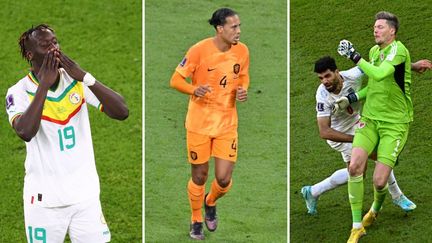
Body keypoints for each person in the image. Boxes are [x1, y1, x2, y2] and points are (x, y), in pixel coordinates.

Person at [5, 24, 129, 242]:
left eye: (55, 42)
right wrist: (44, 85)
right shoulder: (19, 91)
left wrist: (85, 76)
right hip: (45, 202)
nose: (54, 49)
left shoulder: (75, 80)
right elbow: (25, 131)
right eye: (45, 45)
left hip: (86, 196)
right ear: (30, 54)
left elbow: (121, 112)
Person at [301, 56, 431, 216]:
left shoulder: (353, 75)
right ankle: (397, 195)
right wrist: (356, 140)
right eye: (320, 78)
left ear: (337, 72)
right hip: (338, 136)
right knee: (380, 154)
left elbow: (385, 67)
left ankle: (312, 191)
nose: (324, 81)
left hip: (357, 123)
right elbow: (324, 132)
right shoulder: (322, 96)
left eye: (327, 76)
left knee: (356, 174)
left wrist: (414, 65)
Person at [336, 11, 421, 242]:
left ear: (392, 31)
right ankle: (356, 227)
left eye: (380, 27)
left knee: (379, 181)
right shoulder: (374, 52)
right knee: (354, 167)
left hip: (395, 124)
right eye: (374, 26)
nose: (375, 30)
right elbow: (373, 86)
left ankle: (374, 210)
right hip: (370, 119)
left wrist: (354, 56)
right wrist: (350, 100)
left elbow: (381, 74)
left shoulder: (399, 51)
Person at [169, 8, 249, 240]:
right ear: (220, 29)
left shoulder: (242, 51)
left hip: (227, 124)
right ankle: (196, 219)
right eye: (234, 27)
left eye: (239, 26)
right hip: (199, 125)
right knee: (200, 176)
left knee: (223, 179)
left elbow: (243, 75)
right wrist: (194, 89)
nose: (238, 31)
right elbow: (175, 80)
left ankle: (210, 201)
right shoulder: (198, 51)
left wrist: (243, 89)